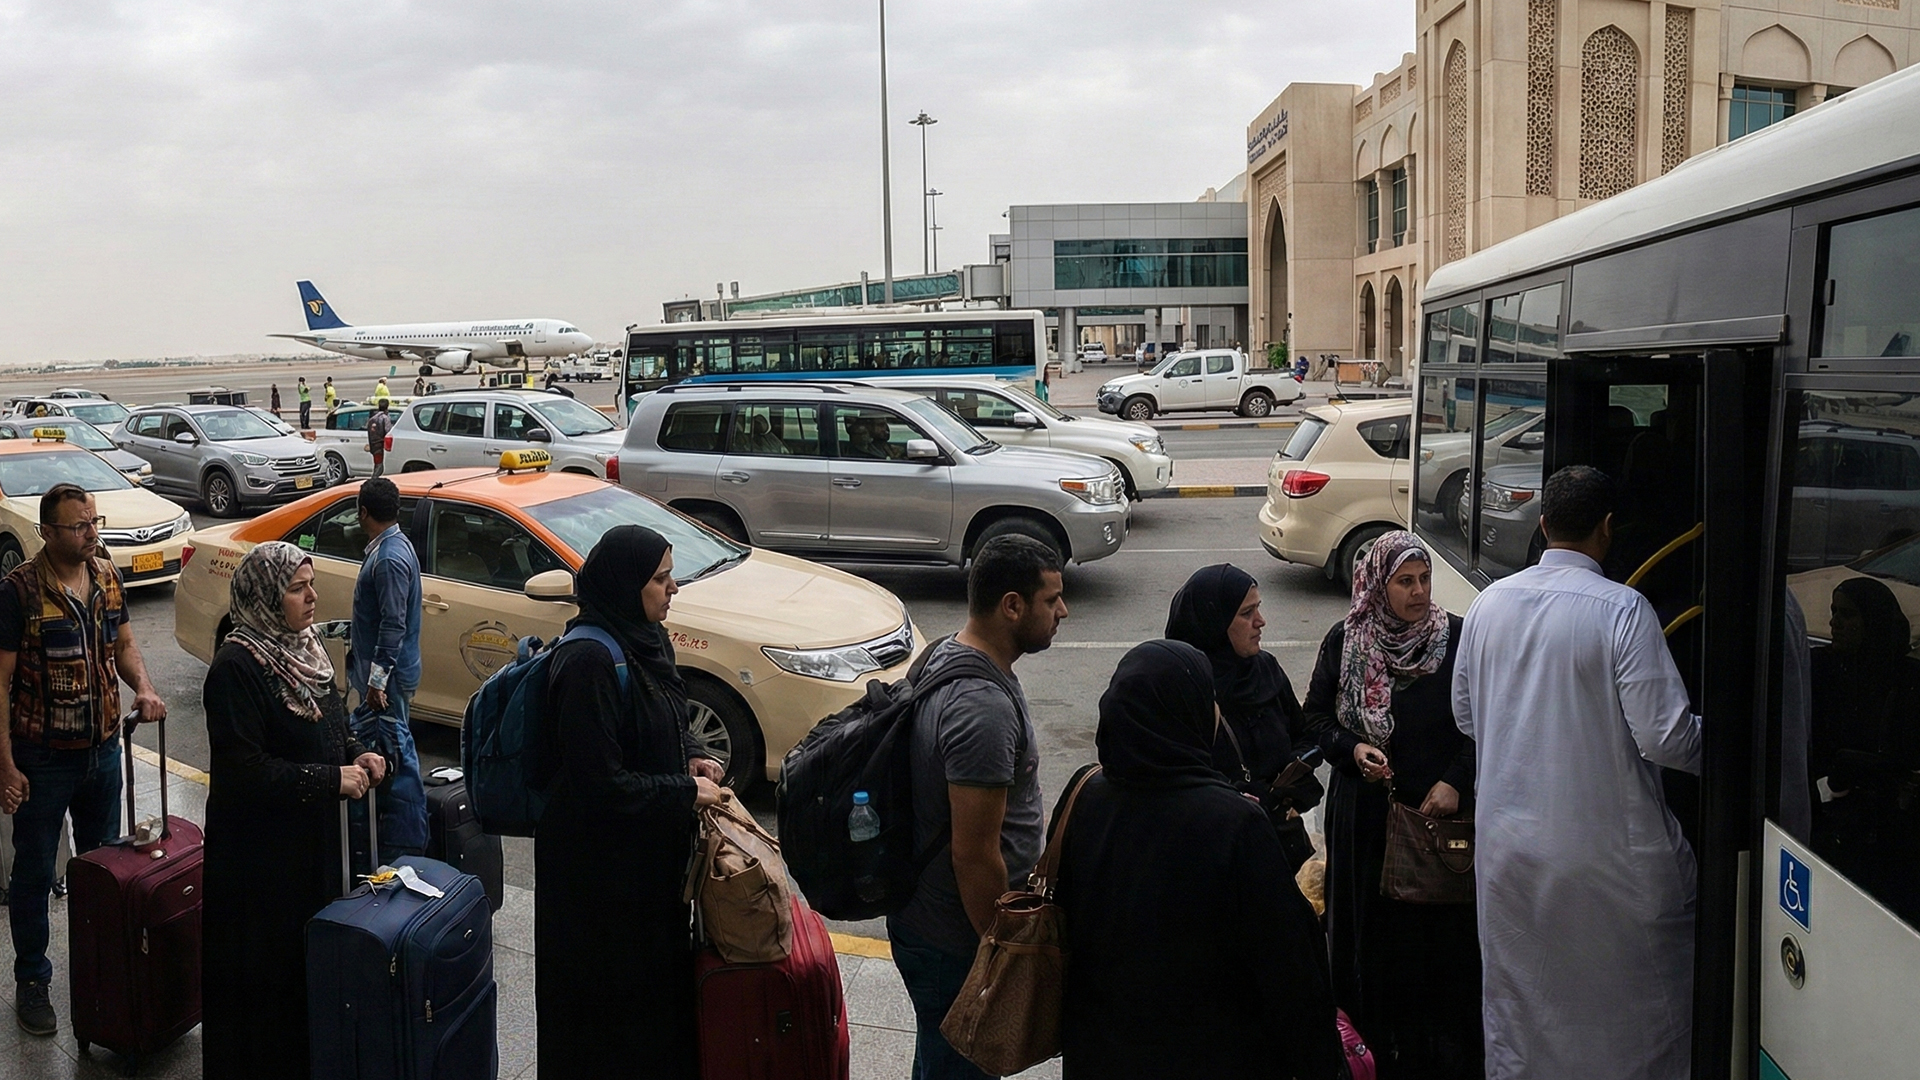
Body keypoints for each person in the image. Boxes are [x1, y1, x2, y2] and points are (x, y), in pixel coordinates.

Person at [1451, 466, 1701, 1080]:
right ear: (1608, 529)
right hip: (1608, 865)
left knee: (1523, 1016)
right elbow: (1667, 737)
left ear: (1542, 525)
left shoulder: (1488, 604)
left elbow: (1466, 715)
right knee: (1634, 1027)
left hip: (1510, 855)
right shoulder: (1623, 609)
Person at [1055, 639, 1341, 1079]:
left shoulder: (1085, 793)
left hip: (1100, 1050)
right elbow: (1289, 972)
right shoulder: (1233, 823)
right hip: (1210, 1053)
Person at [535, 526, 724, 1078]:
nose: (674, 588)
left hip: (647, 875)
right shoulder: (589, 661)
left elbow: (668, 709)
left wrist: (690, 753)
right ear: (625, 585)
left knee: (654, 1013)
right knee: (605, 1027)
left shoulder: (648, 638)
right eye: (661, 579)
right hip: (597, 888)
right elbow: (599, 785)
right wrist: (685, 792)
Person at [201, 542, 386, 1077]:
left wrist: (358, 754)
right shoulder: (237, 667)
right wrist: (332, 780)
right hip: (260, 866)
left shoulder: (305, 647)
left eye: (311, 584)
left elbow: (334, 726)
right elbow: (243, 773)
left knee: (307, 971)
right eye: (297, 587)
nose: (312, 596)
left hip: (312, 849)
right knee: (266, 983)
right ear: (265, 596)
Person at [1302, 532, 1481, 1079]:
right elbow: (1314, 720)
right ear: (1377, 585)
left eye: (1424, 579)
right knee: (1370, 942)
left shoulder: (1456, 638)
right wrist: (1353, 748)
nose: (1420, 592)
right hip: (1369, 821)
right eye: (1405, 582)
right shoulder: (1347, 640)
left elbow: (1486, 723)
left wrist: (1455, 780)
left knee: (1436, 947)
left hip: (1436, 822)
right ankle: (1371, 1052)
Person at [888, 534, 1064, 1080]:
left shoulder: (949, 651)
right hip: (955, 939)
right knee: (959, 1066)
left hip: (928, 920)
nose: (1063, 610)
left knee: (940, 1060)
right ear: (1012, 605)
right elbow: (973, 852)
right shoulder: (981, 708)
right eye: (1051, 599)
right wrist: (1001, 953)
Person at [0, 483, 166, 1037]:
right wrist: (6, 765)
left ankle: (99, 974)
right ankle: (32, 980)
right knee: (34, 871)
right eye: (78, 526)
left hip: (103, 752)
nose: (91, 533)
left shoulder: (106, 573)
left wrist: (142, 686)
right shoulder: (18, 591)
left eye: (94, 521)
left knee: (102, 872)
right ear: (48, 532)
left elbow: (122, 644)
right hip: (42, 759)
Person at [1164, 563, 1322, 815]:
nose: (1260, 621)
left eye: (1258, 608)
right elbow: (1177, 777)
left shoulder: (1265, 669)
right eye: (1247, 613)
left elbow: (1303, 734)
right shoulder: (1183, 688)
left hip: (1276, 834)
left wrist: (1292, 784)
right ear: (1214, 622)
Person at [1807, 575, 1920, 919]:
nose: (1834, 623)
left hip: (1890, 832)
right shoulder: (1820, 668)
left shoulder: (1907, 680)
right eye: (1833, 612)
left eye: (1847, 615)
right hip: (1828, 822)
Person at [346, 477, 426, 864]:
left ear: (363, 512)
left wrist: (377, 681)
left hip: (388, 682)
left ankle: (398, 845)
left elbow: (393, 624)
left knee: (392, 759)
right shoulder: (392, 547)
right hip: (388, 675)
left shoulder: (390, 558)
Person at [366, 401, 392, 478]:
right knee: (379, 468)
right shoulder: (385, 418)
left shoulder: (371, 419)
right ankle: (373, 482)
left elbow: (369, 434)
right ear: (387, 407)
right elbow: (388, 432)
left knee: (377, 465)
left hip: (374, 446)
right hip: (381, 446)